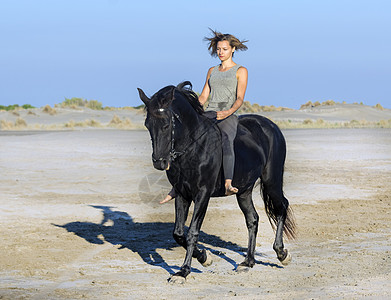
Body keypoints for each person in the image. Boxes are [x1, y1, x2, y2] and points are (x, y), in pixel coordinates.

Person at [160, 29, 248, 204]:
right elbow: (203, 97)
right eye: (218, 49)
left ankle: (228, 182)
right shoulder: (212, 70)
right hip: (209, 113)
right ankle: (177, 185)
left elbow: (239, 99)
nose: (220, 52)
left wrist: (229, 112)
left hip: (227, 114)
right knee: (187, 139)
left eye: (224, 49)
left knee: (225, 139)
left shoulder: (240, 70)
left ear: (233, 50)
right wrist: (190, 111)